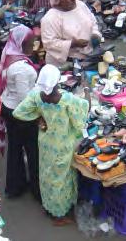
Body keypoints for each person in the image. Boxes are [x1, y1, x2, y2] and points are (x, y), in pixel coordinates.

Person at [13, 64, 89, 225]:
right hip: (63, 146)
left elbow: (18, 112)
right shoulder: (67, 99)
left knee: (48, 176)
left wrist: (38, 119)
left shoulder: (36, 96)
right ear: (56, 82)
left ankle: (49, 207)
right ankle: (59, 215)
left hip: (46, 143)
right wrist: (87, 91)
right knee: (61, 180)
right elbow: (81, 119)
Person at [0, 24, 39, 200]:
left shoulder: (9, 55)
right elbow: (26, 99)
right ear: (21, 43)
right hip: (20, 112)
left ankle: (16, 186)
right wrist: (40, 115)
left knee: (15, 148)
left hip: (9, 106)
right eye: (30, 42)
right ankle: (37, 189)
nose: (33, 45)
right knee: (32, 150)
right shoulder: (21, 68)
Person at [41, 0, 101, 66]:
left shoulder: (81, 6)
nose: (67, 1)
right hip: (64, 64)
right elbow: (49, 43)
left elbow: (93, 22)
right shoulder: (50, 18)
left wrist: (95, 35)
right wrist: (72, 44)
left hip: (88, 58)